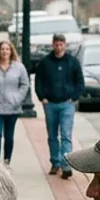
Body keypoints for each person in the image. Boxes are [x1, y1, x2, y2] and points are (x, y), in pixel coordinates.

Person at [34, 33, 85, 179]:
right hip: (50, 103)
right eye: (56, 44)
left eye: (61, 44)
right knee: (52, 135)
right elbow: (39, 81)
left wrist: (74, 97)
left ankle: (66, 164)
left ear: (65, 45)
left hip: (67, 103)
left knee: (66, 135)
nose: (59, 46)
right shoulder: (45, 62)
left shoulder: (72, 62)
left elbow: (80, 82)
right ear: (53, 45)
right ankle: (55, 162)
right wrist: (42, 97)